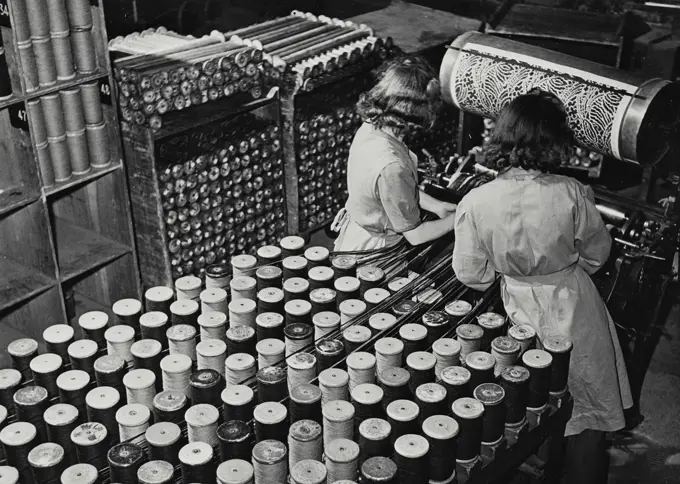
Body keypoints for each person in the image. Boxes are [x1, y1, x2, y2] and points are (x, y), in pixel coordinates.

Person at [452, 89, 632, 484]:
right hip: (574, 303)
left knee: (531, 410)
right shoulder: (571, 192)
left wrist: (511, 274)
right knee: (587, 418)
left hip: (519, 311)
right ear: (555, 141)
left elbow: (472, 274)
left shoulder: (477, 200)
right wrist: (565, 270)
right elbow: (598, 253)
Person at [331, 55, 457, 252]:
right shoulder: (392, 164)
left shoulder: (372, 126)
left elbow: (393, 193)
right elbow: (416, 235)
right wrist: (458, 219)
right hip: (374, 248)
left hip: (357, 231)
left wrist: (437, 206)